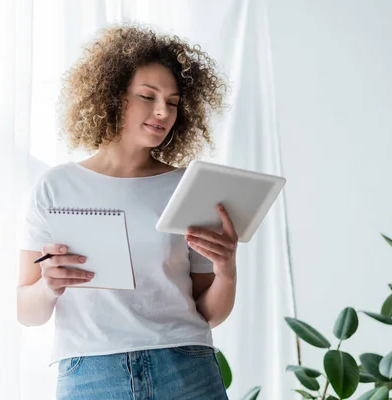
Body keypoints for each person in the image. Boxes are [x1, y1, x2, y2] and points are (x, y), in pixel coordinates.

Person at [17, 25, 238, 400]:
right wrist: (49, 285)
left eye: (173, 101)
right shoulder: (55, 187)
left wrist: (226, 269)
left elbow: (208, 313)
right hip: (90, 373)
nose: (162, 111)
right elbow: (27, 312)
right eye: (147, 96)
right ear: (113, 96)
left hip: (185, 368)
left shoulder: (189, 187)